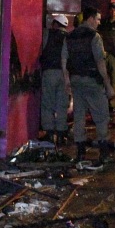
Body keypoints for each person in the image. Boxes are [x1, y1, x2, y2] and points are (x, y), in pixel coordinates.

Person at [66, 6, 115, 162]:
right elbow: (100, 62)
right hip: (92, 81)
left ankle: (80, 152)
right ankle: (104, 152)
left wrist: (67, 81)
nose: (99, 23)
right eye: (98, 19)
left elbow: (63, 60)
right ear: (90, 19)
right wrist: (108, 84)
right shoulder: (95, 37)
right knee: (101, 116)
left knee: (79, 115)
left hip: (75, 80)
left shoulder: (70, 36)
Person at [37, 15, 70, 144]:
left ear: (55, 24)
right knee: (62, 105)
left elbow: (39, 51)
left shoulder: (47, 34)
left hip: (49, 72)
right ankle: (61, 135)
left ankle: (49, 134)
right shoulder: (69, 37)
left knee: (47, 104)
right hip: (65, 74)